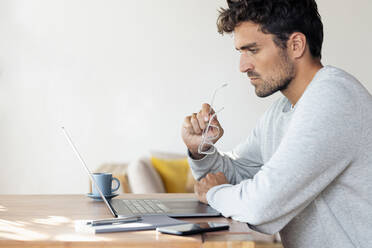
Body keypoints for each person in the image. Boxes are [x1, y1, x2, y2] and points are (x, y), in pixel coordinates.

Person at [181, 0, 372, 248]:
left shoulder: (334, 98)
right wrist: (201, 150)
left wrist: (215, 194)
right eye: (240, 52)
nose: (243, 66)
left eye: (253, 50)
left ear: (295, 45)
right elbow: (236, 176)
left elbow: (260, 206)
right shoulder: (282, 110)